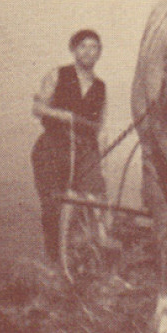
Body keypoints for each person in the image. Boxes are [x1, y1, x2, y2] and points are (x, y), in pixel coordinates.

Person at [31, 29, 107, 263]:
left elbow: (100, 125)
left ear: (99, 53)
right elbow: (38, 108)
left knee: (94, 201)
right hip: (53, 146)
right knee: (54, 207)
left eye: (93, 47)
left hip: (85, 150)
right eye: (83, 46)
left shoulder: (100, 86)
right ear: (73, 50)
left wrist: (100, 159)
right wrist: (65, 116)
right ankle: (54, 262)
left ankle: (84, 261)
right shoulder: (58, 74)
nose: (88, 51)